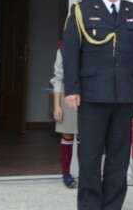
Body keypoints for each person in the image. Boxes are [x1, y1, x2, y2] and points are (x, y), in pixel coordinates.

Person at [63, 0, 133, 210]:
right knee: (89, 158)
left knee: (119, 158)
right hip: (91, 96)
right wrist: (72, 89)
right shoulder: (81, 10)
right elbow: (71, 54)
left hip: (124, 96)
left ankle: (112, 206)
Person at [51, 41, 79, 189]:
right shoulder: (62, 49)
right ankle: (66, 175)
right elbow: (58, 78)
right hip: (67, 95)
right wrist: (57, 105)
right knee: (67, 135)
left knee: (84, 136)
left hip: (88, 95)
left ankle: (85, 175)